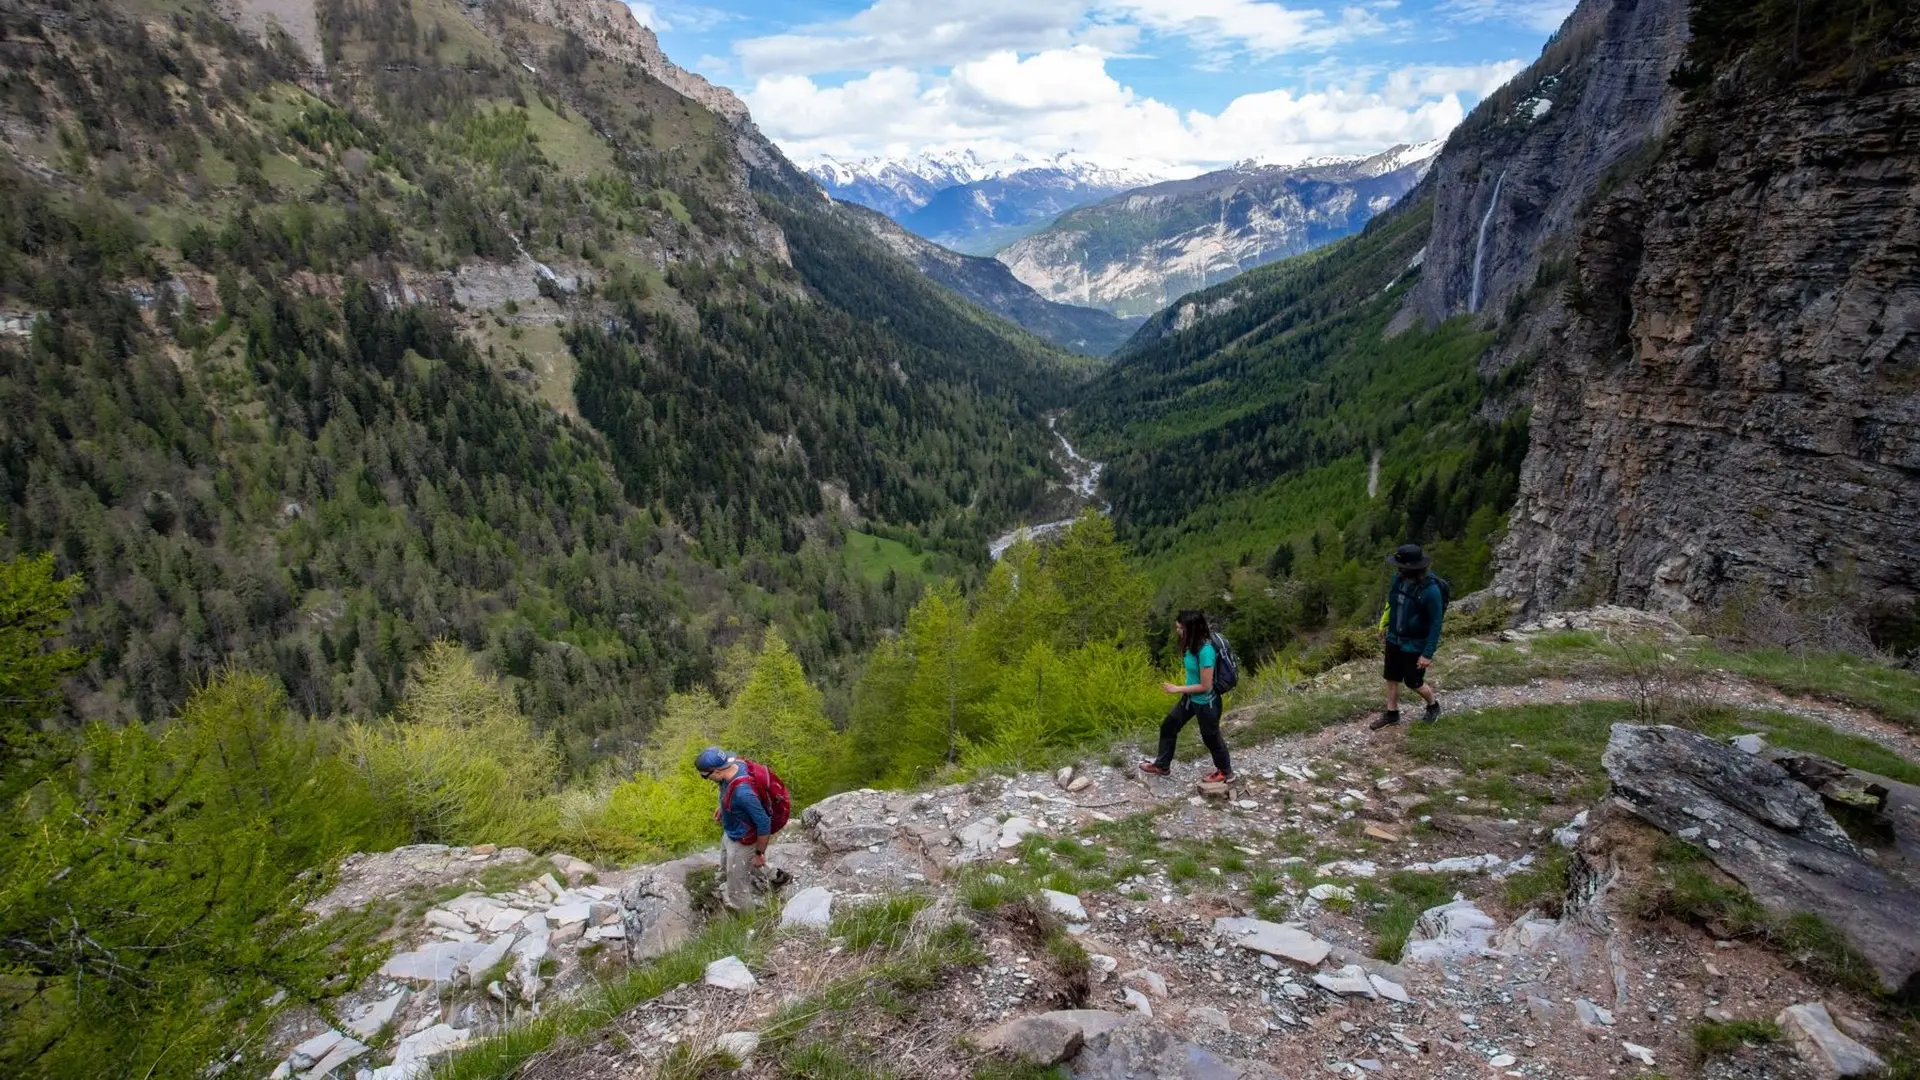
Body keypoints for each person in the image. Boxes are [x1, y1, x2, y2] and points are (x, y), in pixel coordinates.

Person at [1139, 610, 1233, 783]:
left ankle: (1225, 772)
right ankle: (1162, 765)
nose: (1177, 630)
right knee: (1169, 726)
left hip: (1207, 703)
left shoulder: (1205, 651)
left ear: (1190, 629)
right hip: (1190, 699)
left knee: (1211, 737)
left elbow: (1205, 686)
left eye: (1179, 628)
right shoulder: (1191, 646)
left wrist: (1177, 689)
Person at [1371, 543, 1444, 730]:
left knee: (1414, 682)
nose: (1398, 570)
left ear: (1414, 568)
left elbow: (1436, 623)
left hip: (1414, 645)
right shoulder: (1398, 579)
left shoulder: (1431, 591)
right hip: (1394, 639)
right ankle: (1392, 714)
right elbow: (1392, 603)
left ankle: (1433, 706)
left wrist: (1427, 654)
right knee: (1391, 677)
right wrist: (1384, 625)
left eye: (1402, 567)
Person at [696, 746, 772, 911]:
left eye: (705, 776)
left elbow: (764, 824)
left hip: (743, 839)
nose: (705, 779)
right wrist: (723, 806)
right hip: (732, 831)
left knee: (736, 890)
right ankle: (773, 875)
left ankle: (748, 921)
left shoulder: (743, 793)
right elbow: (728, 791)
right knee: (727, 866)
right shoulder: (734, 766)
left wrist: (759, 853)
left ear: (717, 771)